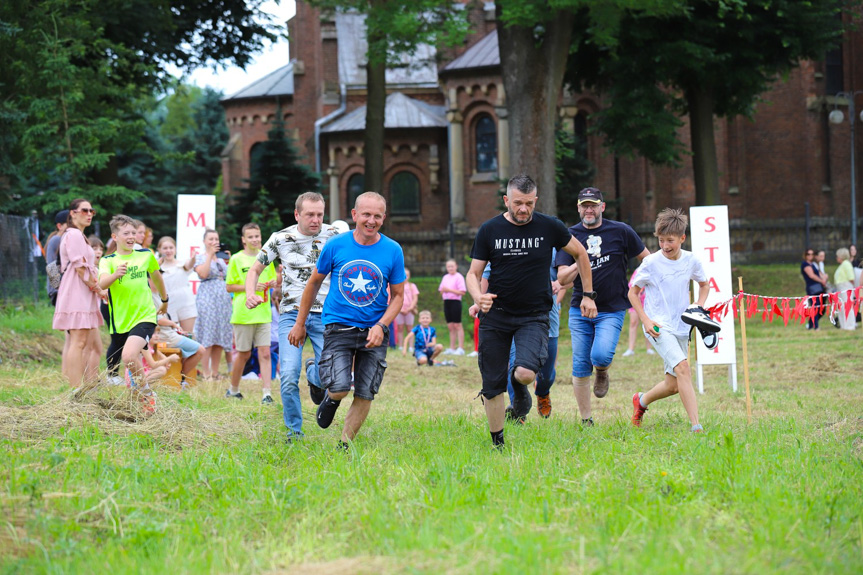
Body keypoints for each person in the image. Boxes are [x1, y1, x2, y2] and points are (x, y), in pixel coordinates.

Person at [466, 174, 596, 448]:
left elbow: (581, 253)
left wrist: (587, 294)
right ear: (506, 200)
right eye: (517, 203)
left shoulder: (550, 226)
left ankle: (523, 390)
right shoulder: (489, 230)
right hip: (496, 314)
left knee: (524, 373)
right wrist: (479, 296)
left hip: (534, 314)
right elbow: (473, 273)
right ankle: (497, 443)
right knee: (492, 384)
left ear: (535, 200)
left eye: (528, 203)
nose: (523, 209)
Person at [288, 192, 405, 449]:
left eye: (377, 216)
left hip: (374, 330)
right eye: (366, 214)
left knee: (365, 391)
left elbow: (398, 297)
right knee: (340, 388)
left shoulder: (393, 250)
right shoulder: (336, 245)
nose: (371, 220)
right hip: (338, 325)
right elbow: (314, 284)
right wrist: (300, 322)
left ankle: (343, 446)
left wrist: (381, 325)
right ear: (354, 215)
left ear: (383, 218)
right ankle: (327, 392)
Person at [245, 192, 341, 441]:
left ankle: (313, 375)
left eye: (320, 214)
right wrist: (249, 294)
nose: (316, 220)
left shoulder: (334, 236)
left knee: (330, 377)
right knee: (287, 376)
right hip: (291, 314)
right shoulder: (280, 238)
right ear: (297, 214)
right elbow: (255, 269)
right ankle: (294, 432)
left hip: (325, 314)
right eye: (310, 214)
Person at [555, 187, 649, 425]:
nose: (589, 210)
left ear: (602, 207)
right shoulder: (569, 236)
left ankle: (602, 370)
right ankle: (587, 420)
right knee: (579, 364)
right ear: (578, 208)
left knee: (600, 355)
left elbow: (648, 260)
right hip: (580, 309)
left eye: (593, 205)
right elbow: (562, 279)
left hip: (612, 308)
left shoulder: (621, 231)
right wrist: (581, 258)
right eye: (584, 205)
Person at [628, 208, 709, 433]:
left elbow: (704, 285)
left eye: (670, 241)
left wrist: (698, 306)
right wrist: (645, 320)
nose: (665, 246)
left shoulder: (691, 260)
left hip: (682, 326)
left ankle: (641, 401)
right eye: (661, 240)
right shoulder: (651, 263)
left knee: (673, 385)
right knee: (683, 368)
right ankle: (696, 426)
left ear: (682, 238)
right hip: (657, 325)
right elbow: (632, 293)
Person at [99, 214, 169, 405]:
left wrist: (165, 300)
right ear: (115, 237)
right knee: (130, 360)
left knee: (129, 355)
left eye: (134, 233)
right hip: (121, 319)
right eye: (126, 233)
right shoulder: (108, 260)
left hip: (145, 315)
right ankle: (142, 392)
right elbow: (102, 283)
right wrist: (115, 275)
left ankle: (146, 395)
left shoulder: (146, 255)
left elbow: (156, 277)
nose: (131, 236)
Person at [52, 200, 104, 387]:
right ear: (73, 213)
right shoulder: (73, 234)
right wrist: (98, 289)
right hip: (76, 290)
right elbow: (81, 269)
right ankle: (75, 389)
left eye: (91, 210)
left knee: (82, 342)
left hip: (82, 291)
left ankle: (80, 386)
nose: (89, 213)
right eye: (84, 210)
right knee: (78, 341)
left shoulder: (79, 235)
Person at [225, 223, 277, 403]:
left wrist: (274, 283)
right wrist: (251, 287)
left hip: (263, 312)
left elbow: (273, 280)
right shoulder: (236, 259)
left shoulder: (266, 257)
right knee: (244, 354)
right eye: (251, 236)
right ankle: (233, 389)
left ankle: (267, 393)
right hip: (243, 314)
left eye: (257, 236)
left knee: (265, 352)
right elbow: (229, 286)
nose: (255, 239)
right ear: (243, 240)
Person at [194, 228, 233, 378]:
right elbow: (203, 274)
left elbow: (229, 276)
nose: (214, 242)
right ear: (204, 241)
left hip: (223, 299)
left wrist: (229, 261)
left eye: (216, 239)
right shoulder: (200, 257)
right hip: (207, 297)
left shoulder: (222, 260)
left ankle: (215, 372)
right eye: (211, 239)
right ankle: (206, 373)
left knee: (219, 336)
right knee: (208, 335)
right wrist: (210, 255)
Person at [152, 293, 203, 385]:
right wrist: (173, 324)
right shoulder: (151, 295)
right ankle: (182, 379)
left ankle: (182, 378)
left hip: (168, 334)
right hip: (166, 336)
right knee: (201, 350)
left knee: (191, 339)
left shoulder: (157, 294)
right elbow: (158, 319)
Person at [156, 236, 197, 334]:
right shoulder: (157, 268)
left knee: (187, 335)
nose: (168, 251)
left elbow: (189, 264)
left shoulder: (182, 264)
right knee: (171, 336)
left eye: (171, 248)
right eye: (165, 248)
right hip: (167, 305)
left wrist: (193, 258)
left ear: (175, 249)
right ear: (159, 250)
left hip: (186, 304)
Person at [623, 269, 654, 357]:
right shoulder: (638, 271)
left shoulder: (652, 269)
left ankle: (649, 348)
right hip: (636, 300)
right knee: (633, 323)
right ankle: (630, 349)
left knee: (649, 323)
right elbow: (631, 284)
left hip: (647, 301)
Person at [439, 259, 467, 355]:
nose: (450, 268)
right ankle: (452, 348)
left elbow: (462, 291)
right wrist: (444, 291)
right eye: (448, 266)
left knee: (457, 325)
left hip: (455, 302)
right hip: (447, 302)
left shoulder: (459, 277)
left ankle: (461, 348)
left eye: (452, 266)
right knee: (450, 326)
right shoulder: (445, 277)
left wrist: (449, 290)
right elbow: (441, 290)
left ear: (456, 266)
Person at [45, 209, 69, 306]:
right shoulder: (56, 240)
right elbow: (51, 265)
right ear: (60, 226)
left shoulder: (64, 239)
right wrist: (58, 289)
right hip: (58, 291)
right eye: (69, 223)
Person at [801, 248, 827, 331]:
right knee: (815, 307)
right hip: (812, 288)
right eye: (808, 254)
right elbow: (811, 275)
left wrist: (824, 278)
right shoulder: (805, 264)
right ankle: (816, 327)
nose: (810, 256)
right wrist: (821, 280)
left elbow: (819, 273)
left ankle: (810, 325)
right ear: (805, 255)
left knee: (821, 308)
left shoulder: (813, 264)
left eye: (812, 254)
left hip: (819, 288)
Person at [394, 267, 419, 347]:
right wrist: (400, 309)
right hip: (399, 310)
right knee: (400, 328)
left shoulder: (412, 286)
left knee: (410, 329)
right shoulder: (396, 286)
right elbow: (394, 298)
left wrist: (410, 308)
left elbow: (415, 298)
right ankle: (401, 345)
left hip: (409, 310)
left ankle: (411, 346)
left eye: (407, 275)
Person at [834, 247, 856, 330]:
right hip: (840, 288)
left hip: (846, 287)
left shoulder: (846, 264)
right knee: (841, 306)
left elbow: (851, 278)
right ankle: (844, 325)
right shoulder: (843, 264)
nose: (836, 258)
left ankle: (850, 325)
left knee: (847, 306)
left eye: (837, 256)